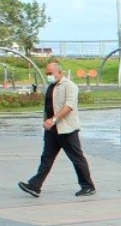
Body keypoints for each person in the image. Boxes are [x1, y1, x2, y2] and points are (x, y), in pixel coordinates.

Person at [17, 62, 96, 199]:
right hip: (52, 131)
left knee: (77, 158)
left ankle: (88, 186)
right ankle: (35, 186)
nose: (48, 76)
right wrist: (48, 122)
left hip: (67, 130)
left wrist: (53, 119)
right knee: (46, 158)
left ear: (59, 72)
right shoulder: (51, 86)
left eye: (50, 73)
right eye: (47, 73)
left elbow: (69, 106)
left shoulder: (69, 86)